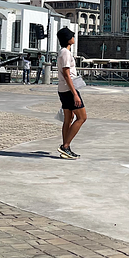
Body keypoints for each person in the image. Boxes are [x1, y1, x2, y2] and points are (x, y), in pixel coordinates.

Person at [56, 27, 86, 159]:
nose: (74, 37)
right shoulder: (66, 53)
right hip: (69, 89)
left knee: (68, 119)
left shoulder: (62, 52)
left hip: (63, 89)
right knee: (82, 117)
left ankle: (65, 148)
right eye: (72, 36)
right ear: (68, 39)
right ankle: (65, 146)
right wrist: (75, 94)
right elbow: (67, 74)